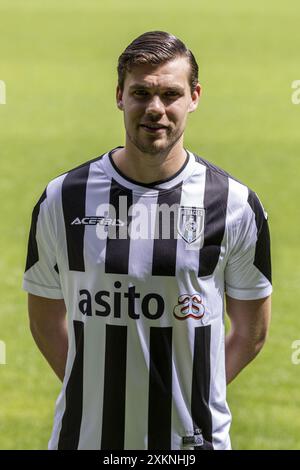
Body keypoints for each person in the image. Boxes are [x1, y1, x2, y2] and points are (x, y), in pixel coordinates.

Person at [23, 31, 272, 450]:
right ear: (120, 95)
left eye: (170, 94)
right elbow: (46, 320)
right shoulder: (62, 199)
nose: (155, 109)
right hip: (87, 442)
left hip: (192, 447)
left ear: (194, 96)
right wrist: (99, 389)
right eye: (141, 92)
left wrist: (191, 393)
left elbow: (251, 332)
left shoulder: (234, 204)